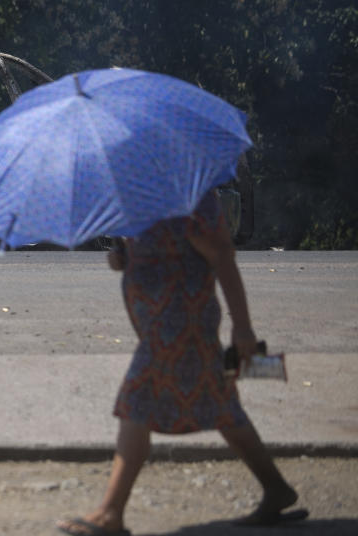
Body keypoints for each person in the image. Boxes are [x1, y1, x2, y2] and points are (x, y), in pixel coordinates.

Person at [56, 191, 300, 536]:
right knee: (221, 405)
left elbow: (222, 256)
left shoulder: (189, 195)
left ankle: (110, 513)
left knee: (136, 403)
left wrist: (243, 328)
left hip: (180, 325)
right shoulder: (146, 193)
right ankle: (276, 488)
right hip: (161, 323)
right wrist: (124, 256)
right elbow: (161, 248)